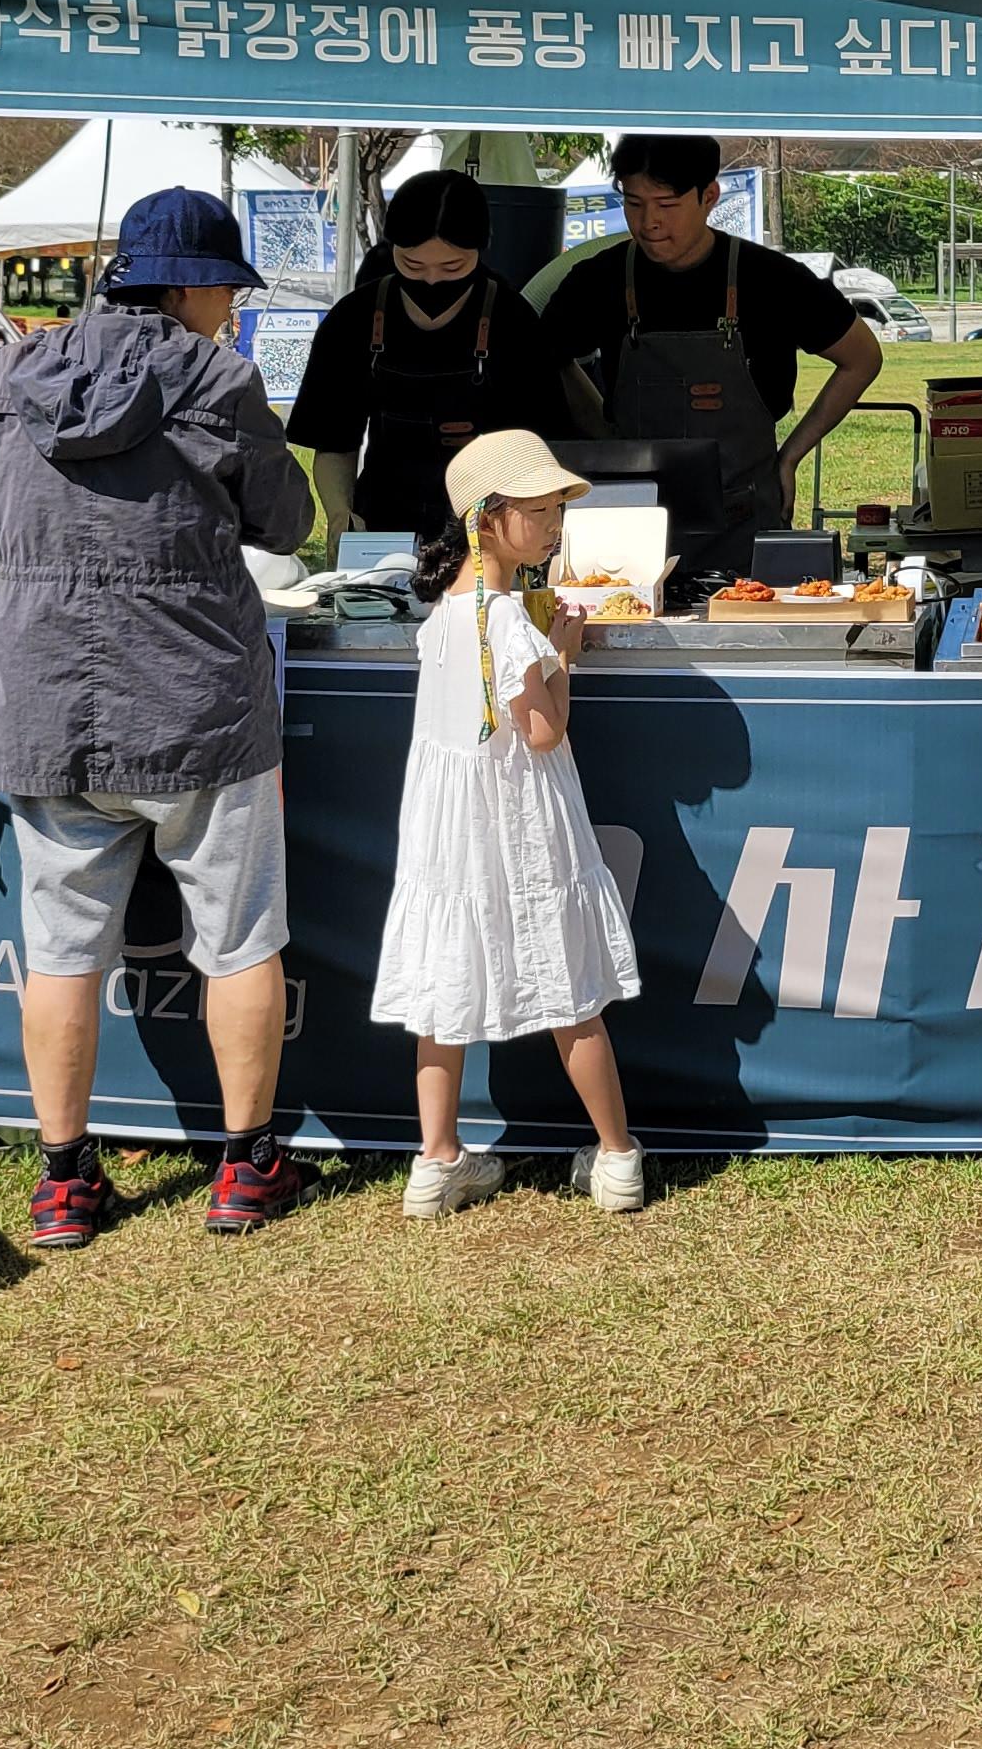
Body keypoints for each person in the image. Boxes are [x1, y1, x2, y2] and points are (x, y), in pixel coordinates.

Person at [0, 187, 316, 1249]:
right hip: (198, 705)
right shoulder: (218, 378)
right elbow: (289, 521)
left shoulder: (10, 372)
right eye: (225, 292)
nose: (231, 311)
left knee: (60, 950)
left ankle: (62, 1182)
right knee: (239, 942)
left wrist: (33, 538)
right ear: (189, 288)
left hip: (46, 705)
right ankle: (246, 1167)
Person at [376, 430, 646, 1219]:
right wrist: (563, 657)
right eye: (540, 510)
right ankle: (617, 1155)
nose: (555, 525)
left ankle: (436, 1161)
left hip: (452, 833)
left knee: (445, 987)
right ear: (486, 520)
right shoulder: (506, 620)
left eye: (557, 509)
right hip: (522, 820)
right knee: (567, 982)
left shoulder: (443, 616)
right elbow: (543, 731)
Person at [540, 136, 883, 602]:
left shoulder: (770, 278)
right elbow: (544, 358)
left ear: (709, 196)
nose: (649, 222)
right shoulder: (598, 280)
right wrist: (602, 438)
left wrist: (791, 456)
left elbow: (862, 358)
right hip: (628, 527)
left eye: (666, 204)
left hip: (744, 522)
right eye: (634, 203)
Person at [288, 165, 561, 553]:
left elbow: (538, 451)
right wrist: (339, 515)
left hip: (484, 528)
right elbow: (334, 442)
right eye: (413, 265)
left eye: (452, 267)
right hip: (382, 526)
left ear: (480, 251)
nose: (431, 280)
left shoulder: (513, 322)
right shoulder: (354, 319)